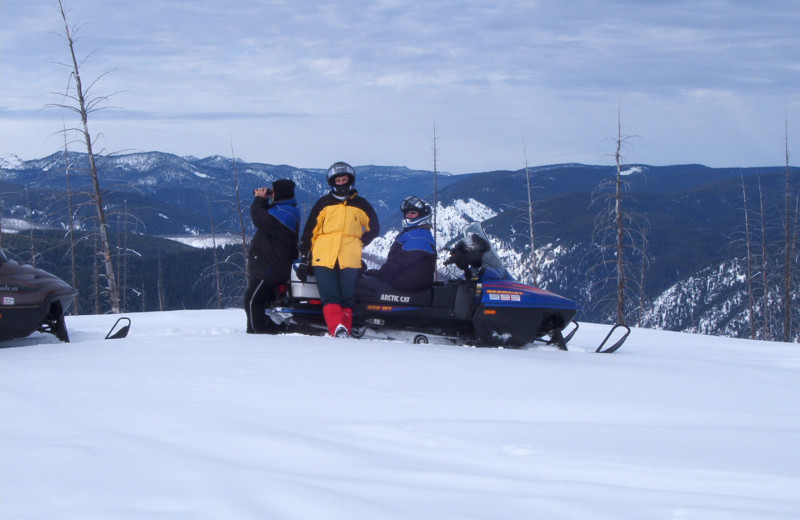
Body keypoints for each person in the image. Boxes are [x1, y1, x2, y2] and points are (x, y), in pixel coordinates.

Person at [297, 161, 379, 337]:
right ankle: (337, 329)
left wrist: (359, 242)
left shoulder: (361, 204)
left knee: (347, 297)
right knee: (330, 295)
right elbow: (310, 233)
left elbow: (374, 228)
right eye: (338, 180)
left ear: (351, 180)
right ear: (332, 183)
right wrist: (305, 258)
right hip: (323, 256)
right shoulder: (323, 203)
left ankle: (344, 330)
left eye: (344, 179)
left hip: (350, 256)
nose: (341, 183)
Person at [244, 179, 301, 334]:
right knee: (253, 299)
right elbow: (266, 216)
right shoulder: (282, 210)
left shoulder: (287, 213)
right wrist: (264, 201)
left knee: (253, 300)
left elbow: (260, 219)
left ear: (280, 193)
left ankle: (258, 331)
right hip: (267, 266)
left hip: (272, 268)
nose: (271, 194)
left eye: (273, 191)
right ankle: (257, 329)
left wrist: (259, 200)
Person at [363, 195, 436, 292]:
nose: (409, 215)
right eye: (407, 213)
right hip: (411, 280)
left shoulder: (418, 237)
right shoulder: (419, 233)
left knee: (364, 287)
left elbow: (401, 260)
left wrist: (382, 273)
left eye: (413, 213)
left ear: (423, 215)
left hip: (408, 283)